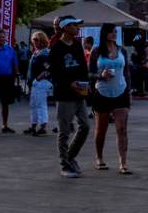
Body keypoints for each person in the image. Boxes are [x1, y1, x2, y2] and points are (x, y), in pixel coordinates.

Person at [49, 16, 92, 178]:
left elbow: (82, 66)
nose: (77, 28)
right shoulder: (57, 47)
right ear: (65, 28)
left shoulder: (77, 45)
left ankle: (70, 157)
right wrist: (69, 83)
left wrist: (85, 83)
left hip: (79, 92)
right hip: (64, 94)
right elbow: (55, 72)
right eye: (74, 25)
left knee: (85, 126)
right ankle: (65, 165)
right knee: (64, 131)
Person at [89, 23, 133, 174]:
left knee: (122, 129)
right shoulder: (96, 52)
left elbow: (127, 72)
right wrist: (100, 75)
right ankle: (99, 158)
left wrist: (129, 91)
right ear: (104, 34)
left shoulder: (122, 51)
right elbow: (89, 74)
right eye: (110, 32)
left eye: (115, 32)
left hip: (121, 93)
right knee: (101, 129)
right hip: (102, 93)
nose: (114, 34)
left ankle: (123, 163)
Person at [24, 31, 52, 136]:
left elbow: (49, 68)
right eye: (33, 39)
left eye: (37, 39)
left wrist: (38, 78)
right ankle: (34, 125)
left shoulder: (44, 53)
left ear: (43, 40)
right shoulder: (36, 52)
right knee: (34, 104)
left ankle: (43, 126)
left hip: (41, 82)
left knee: (40, 104)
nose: (34, 42)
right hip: (34, 82)